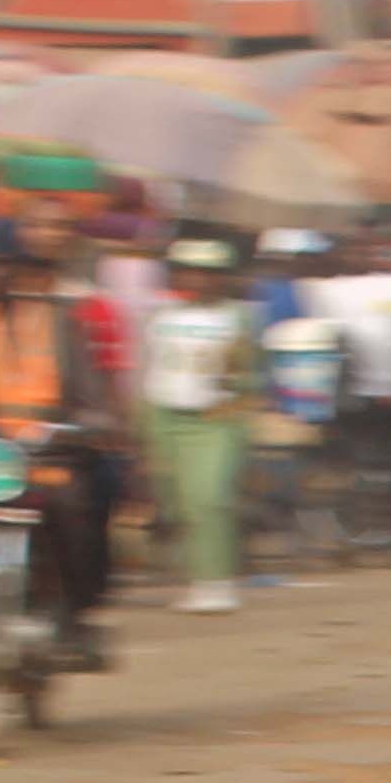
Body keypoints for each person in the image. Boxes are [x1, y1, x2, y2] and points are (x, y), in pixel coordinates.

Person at [0, 241, 124, 664]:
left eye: (1, 266)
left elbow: (90, 395)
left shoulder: (59, 323)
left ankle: (71, 615)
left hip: (48, 456)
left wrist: (89, 426)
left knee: (74, 512)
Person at [132, 233, 264, 612]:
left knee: (208, 497)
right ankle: (190, 574)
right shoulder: (160, 315)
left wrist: (236, 413)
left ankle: (215, 582)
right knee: (174, 502)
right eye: (189, 272)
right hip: (163, 414)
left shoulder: (238, 317)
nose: (198, 280)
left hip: (213, 420)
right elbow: (148, 367)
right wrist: (141, 423)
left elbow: (250, 375)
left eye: (208, 273)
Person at [314, 222, 391, 527]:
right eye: (354, 249)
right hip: (350, 391)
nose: (363, 254)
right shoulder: (330, 290)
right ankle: (357, 526)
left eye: (369, 247)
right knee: (353, 463)